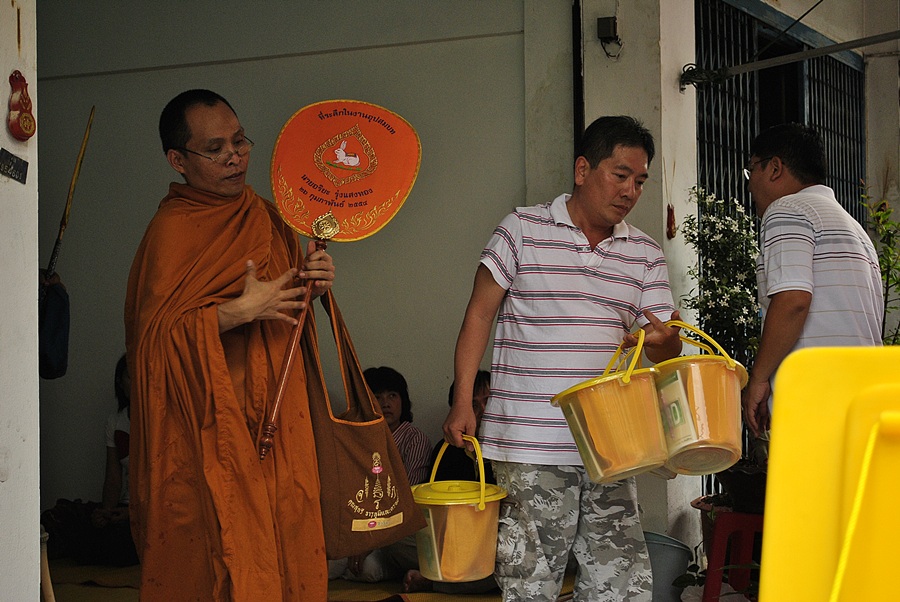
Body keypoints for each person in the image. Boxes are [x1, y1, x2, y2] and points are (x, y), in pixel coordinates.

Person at [443, 115, 682, 601]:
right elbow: (478, 316)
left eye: (639, 181)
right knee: (530, 588)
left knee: (621, 589)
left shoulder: (644, 254)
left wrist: (664, 343)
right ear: (582, 169)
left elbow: (668, 344)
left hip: (612, 449)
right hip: (530, 445)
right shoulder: (522, 230)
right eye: (619, 175)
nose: (630, 191)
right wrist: (464, 400)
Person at [124, 89, 335, 601]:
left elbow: (290, 313)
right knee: (217, 554)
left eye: (239, 141)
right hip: (206, 432)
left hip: (277, 425)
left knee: (284, 539)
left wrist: (315, 283)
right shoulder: (170, 233)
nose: (234, 156)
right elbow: (152, 345)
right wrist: (235, 313)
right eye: (214, 148)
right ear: (178, 160)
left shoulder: (266, 216)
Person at [740, 123, 884, 437]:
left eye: (752, 171)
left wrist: (759, 378)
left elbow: (793, 300)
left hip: (818, 401)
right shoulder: (854, 229)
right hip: (865, 404)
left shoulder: (787, 210)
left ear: (774, 168)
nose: (750, 187)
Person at [331, 366, 431, 583]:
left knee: (368, 569)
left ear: (402, 401)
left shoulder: (414, 439)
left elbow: (408, 501)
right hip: (356, 529)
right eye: (377, 396)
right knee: (326, 562)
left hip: (394, 532)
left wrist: (370, 542)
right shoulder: (357, 441)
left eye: (392, 395)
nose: (385, 403)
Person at [403, 369, 498, 594]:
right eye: (474, 405)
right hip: (450, 540)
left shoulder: (516, 450)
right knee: (395, 545)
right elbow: (431, 515)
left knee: (505, 563)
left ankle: (433, 582)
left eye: (489, 401)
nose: (483, 411)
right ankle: (441, 575)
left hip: (493, 541)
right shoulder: (446, 451)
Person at [87, 353, 139, 566]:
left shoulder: (164, 420)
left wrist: (132, 515)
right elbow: (113, 479)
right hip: (125, 506)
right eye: (130, 376)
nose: (137, 382)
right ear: (121, 382)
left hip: (153, 511)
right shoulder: (115, 422)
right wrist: (106, 514)